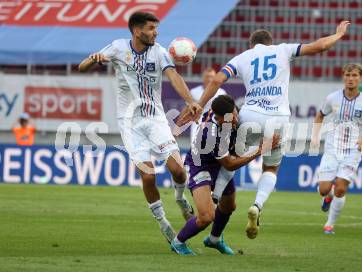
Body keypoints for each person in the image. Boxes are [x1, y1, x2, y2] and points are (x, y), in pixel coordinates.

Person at [180, 21, 351, 239]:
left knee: (233, 156)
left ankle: (215, 196)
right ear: (270, 43)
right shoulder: (283, 49)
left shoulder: (243, 57)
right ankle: (257, 207)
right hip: (278, 119)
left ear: (252, 45)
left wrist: (199, 105)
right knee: (270, 168)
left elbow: (217, 80)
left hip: (250, 114)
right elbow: (319, 46)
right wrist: (338, 34)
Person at [78, 12, 202, 244]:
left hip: (155, 118)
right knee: (148, 177)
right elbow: (81, 67)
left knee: (178, 170)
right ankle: (164, 223)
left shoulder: (160, 52)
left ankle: (179, 197)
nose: (156, 32)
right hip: (130, 122)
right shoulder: (117, 47)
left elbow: (173, 76)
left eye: (156, 28)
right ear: (137, 31)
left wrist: (190, 101)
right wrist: (93, 59)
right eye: (151, 28)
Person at [171, 95, 279, 255]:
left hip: (218, 164)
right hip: (200, 167)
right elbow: (229, 164)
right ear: (218, 118)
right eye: (229, 120)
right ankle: (178, 242)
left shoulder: (232, 114)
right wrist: (260, 149)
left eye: (235, 115)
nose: (234, 121)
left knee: (229, 205)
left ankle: (214, 239)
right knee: (207, 216)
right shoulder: (210, 132)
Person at [311, 63, 362, 234]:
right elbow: (320, 115)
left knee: (341, 188)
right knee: (324, 190)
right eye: (348, 75)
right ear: (343, 76)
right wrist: (315, 136)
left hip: (353, 150)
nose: (351, 79)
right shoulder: (332, 98)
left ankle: (329, 224)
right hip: (332, 148)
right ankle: (327, 198)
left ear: (360, 78)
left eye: (355, 76)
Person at [189, 67, 227, 141]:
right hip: (198, 123)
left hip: (215, 123)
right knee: (195, 149)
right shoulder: (193, 92)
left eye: (211, 77)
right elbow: (188, 110)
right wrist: (179, 126)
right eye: (207, 76)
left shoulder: (222, 93)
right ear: (203, 77)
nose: (209, 79)